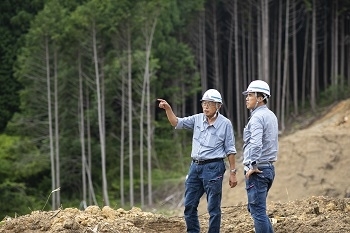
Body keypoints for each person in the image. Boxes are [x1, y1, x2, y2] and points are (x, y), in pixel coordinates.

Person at [158, 89, 237, 233]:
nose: (205, 107)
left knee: (213, 207)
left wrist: (233, 172)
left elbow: (230, 150)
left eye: (209, 104)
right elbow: (176, 122)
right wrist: (168, 109)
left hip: (214, 167)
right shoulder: (197, 119)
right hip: (195, 166)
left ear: (218, 106)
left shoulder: (225, 124)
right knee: (189, 204)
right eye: (204, 103)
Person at [242, 80, 278, 233]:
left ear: (260, 97)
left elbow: (256, 144)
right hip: (268, 168)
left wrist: (253, 165)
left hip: (259, 170)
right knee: (258, 210)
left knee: (257, 212)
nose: (247, 98)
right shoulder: (271, 115)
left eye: (250, 95)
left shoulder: (257, 118)